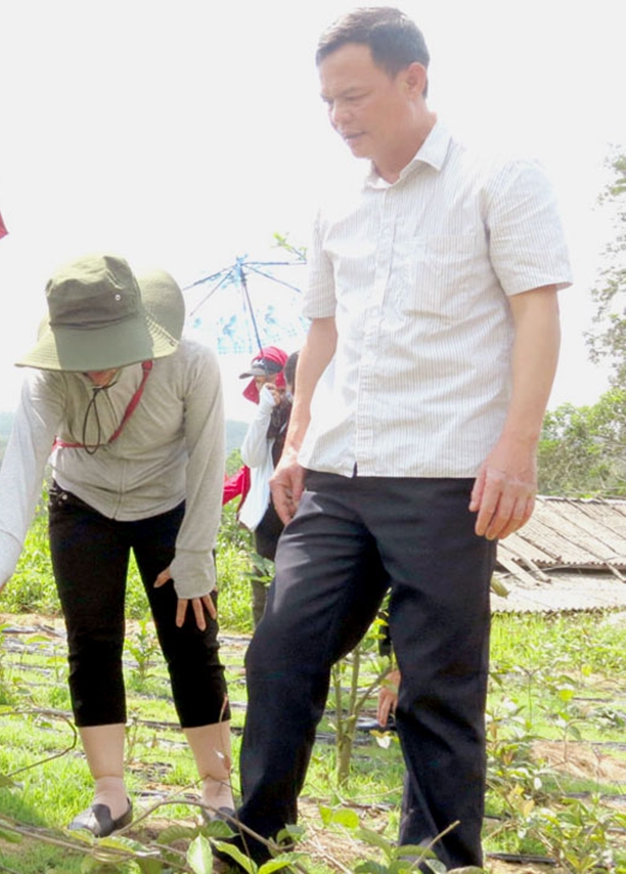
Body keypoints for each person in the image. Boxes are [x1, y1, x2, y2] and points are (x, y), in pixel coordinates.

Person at [232, 8, 569, 869]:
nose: (339, 117)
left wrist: (518, 449)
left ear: (414, 78)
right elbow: (321, 327)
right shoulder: (334, 199)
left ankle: (441, 859)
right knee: (280, 654)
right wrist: (296, 438)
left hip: (449, 474)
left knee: (436, 686)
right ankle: (254, 838)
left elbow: (537, 314)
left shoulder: (500, 176)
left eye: (354, 96)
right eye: (327, 102)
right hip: (339, 473)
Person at [0, 254, 232, 837]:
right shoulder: (49, 375)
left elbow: (211, 461)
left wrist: (194, 556)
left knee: (191, 638)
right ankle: (110, 793)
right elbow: (27, 454)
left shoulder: (191, 364)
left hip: (169, 505)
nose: (95, 368)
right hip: (82, 504)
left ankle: (217, 787)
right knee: (91, 643)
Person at [236, 346, 292, 626]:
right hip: (265, 516)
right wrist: (264, 410)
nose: (260, 386)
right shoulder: (264, 416)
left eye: (263, 380)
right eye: (256, 382)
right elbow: (251, 456)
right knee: (262, 594)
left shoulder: (298, 412)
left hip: (295, 513)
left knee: (292, 591)